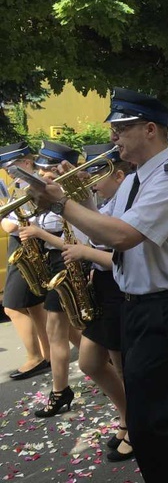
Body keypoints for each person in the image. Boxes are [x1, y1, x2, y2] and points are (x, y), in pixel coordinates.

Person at [26, 88, 168, 482]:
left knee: (152, 423)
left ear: (151, 130)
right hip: (138, 304)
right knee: (145, 419)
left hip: (165, 305)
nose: (113, 137)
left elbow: (124, 237)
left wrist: (60, 203)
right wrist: (80, 199)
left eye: (122, 128)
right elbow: (103, 234)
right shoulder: (134, 180)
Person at [62, 143, 134, 461]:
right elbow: (86, 234)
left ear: (117, 175)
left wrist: (85, 253)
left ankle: (134, 426)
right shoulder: (105, 203)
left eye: (96, 174)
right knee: (90, 362)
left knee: (120, 365)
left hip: (119, 288)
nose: (91, 180)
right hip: (104, 287)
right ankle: (127, 415)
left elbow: (119, 256)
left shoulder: (127, 205)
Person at [21, 140, 83, 417]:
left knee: (55, 330)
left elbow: (76, 241)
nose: (44, 174)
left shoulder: (70, 198)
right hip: (50, 261)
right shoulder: (44, 196)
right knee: (70, 329)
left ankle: (60, 391)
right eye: (42, 168)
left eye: (49, 169)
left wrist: (39, 234)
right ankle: (104, 366)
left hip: (66, 262)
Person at [0, 142, 51, 380]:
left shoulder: (33, 185)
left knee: (12, 306)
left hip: (27, 243)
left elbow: (26, 222)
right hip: (22, 243)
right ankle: (46, 354)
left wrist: (10, 222)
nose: (7, 170)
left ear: (26, 162)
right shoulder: (17, 185)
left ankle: (35, 357)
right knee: (34, 305)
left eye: (10, 165)